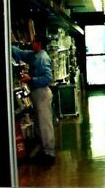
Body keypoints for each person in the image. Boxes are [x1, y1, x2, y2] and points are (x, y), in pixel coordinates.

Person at [12, 36, 55, 165]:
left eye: (34, 41)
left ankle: (49, 153)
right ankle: (44, 150)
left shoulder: (43, 58)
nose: (31, 43)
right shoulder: (34, 55)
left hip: (42, 93)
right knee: (39, 124)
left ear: (39, 43)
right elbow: (21, 53)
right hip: (37, 93)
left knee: (44, 125)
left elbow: (48, 78)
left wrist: (31, 79)